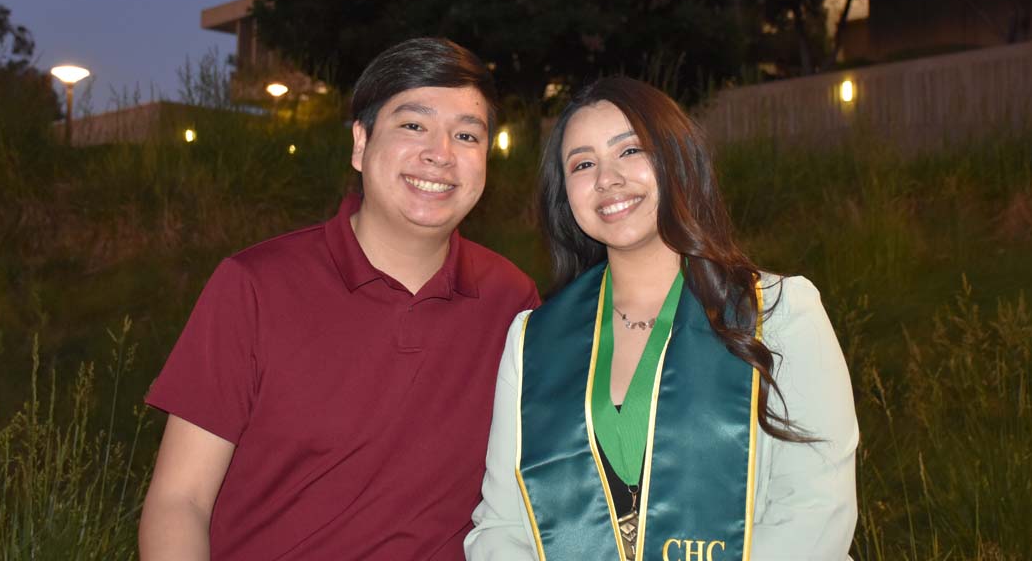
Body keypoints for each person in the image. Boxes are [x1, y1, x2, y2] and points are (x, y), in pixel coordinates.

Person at [139, 38, 540, 560]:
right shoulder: (254, 285)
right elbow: (180, 500)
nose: (440, 153)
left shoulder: (511, 300)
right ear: (360, 143)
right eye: (413, 125)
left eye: (466, 135)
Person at [466, 77, 858, 561]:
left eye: (630, 151)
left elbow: (814, 513)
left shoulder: (779, 314)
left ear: (676, 161)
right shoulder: (532, 342)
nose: (607, 178)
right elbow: (503, 522)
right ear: (565, 195)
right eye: (583, 164)